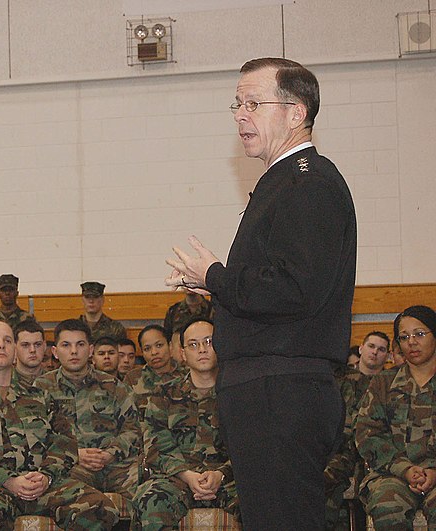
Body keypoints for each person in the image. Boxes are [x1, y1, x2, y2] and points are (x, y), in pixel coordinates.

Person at [166, 57, 357, 530]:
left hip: (282, 388)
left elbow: (293, 288)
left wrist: (215, 275)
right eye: (237, 103)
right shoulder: (284, 181)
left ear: (297, 112)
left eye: (254, 102)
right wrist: (217, 284)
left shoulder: (308, 182)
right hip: (269, 386)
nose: (239, 114)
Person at [0, 319, 119, 530]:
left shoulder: (39, 397)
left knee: (99, 508)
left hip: (41, 484)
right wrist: (7, 480)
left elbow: (64, 442)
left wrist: (46, 475)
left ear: (15, 351)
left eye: (7, 340)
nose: (1, 345)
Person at [133, 318, 239, 530]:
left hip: (230, 478)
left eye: (209, 342)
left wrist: (220, 474)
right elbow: (155, 447)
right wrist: (187, 475)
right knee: (150, 500)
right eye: (193, 344)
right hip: (178, 479)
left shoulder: (240, 394)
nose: (201, 350)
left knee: (268, 498)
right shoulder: (163, 395)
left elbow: (252, 446)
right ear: (182, 353)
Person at [36, 319, 140, 502]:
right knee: (64, 491)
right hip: (70, 467)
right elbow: (37, 435)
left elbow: (133, 429)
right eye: (66, 345)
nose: (74, 351)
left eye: (80, 344)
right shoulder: (41, 388)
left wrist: (110, 453)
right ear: (55, 352)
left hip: (116, 465)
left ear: (91, 350)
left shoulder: (114, 386)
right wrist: (74, 454)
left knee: (145, 495)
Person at [355, 306, 436, 529]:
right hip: (394, 474)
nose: (411, 342)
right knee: (386, 504)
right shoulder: (383, 383)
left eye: (419, 334)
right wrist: (406, 469)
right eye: (404, 337)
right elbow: (367, 434)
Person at [325, 330, 391, 529]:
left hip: (367, 450)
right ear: (361, 348)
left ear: (388, 356)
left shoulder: (389, 385)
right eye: (371, 346)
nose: (375, 352)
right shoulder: (340, 379)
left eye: (381, 349)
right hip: (336, 445)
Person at [125, 325, 183, 420]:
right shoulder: (132, 378)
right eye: (147, 349)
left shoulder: (185, 375)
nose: (154, 352)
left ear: (170, 346)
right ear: (142, 353)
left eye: (159, 345)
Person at [13, 319, 47, 387]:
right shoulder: (3, 383)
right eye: (25, 345)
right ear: (14, 348)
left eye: (38, 344)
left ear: (44, 346)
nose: (32, 350)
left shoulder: (57, 383)